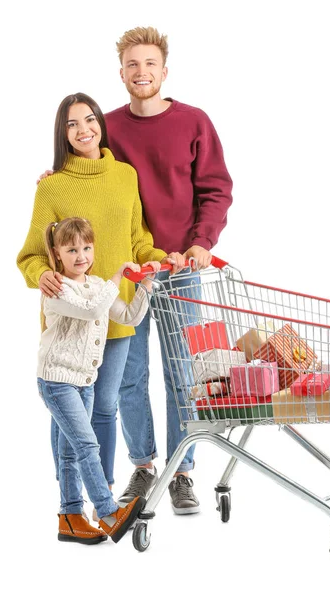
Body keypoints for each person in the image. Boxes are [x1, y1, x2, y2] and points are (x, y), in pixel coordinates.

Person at [17, 93, 184, 516]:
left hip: (115, 312)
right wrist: (42, 275)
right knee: (69, 418)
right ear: (63, 133)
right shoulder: (52, 186)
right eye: (72, 125)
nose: (83, 130)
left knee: (105, 407)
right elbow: (31, 254)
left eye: (89, 120)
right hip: (72, 318)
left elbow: (138, 240)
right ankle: (73, 504)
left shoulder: (125, 176)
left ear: (100, 125)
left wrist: (160, 260)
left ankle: (100, 490)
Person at [106, 26, 233, 513]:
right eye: (132, 65)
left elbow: (215, 188)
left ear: (164, 71)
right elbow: (87, 174)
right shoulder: (110, 127)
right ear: (121, 73)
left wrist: (201, 243)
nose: (141, 72)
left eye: (150, 64)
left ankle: (182, 470)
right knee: (129, 376)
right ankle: (143, 466)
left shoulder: (193, 122)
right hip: (130, 275)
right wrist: (53, 176)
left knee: (184, 374)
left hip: (182, 270)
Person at [37, 217, 161, 544]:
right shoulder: (57, 288)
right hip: (57, 381)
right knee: (87, 444)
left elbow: (128, 317)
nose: (81, 256)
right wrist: (118, 276)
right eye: (72, 249)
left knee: (69, 453)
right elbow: (93, 311)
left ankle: (70, 516)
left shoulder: (95, 286)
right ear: (57, 253)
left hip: (84, 382)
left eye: (87, 248)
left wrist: (144, 287)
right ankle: (108, 512)